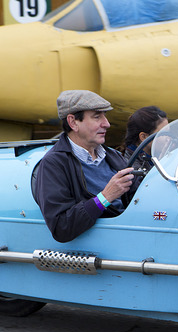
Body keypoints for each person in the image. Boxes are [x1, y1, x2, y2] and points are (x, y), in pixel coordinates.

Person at [34, 90, 140, 242]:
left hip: (129, 238)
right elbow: (61, 227)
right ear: (73, 122)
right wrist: (105, 197)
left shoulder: (113, 156)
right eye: (97, 117)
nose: (107, 124)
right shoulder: (53, 164)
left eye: (105, 116)